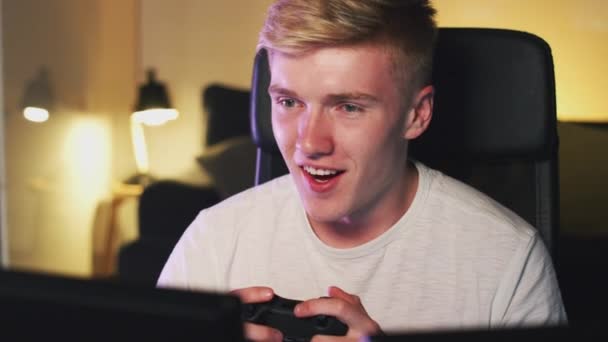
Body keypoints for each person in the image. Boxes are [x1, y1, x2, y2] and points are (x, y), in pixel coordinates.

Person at [158, 0, 567, 340]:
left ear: (417, 114)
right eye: (288, 102)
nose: (309, 143)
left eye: (348, 107)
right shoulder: (213, 240)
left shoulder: (507, 261)